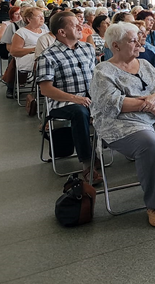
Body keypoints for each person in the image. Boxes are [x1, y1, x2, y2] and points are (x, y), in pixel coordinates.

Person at [90, 22, 155, 227]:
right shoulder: (103, 71)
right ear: (116, 46)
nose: (140, 43)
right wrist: (149, 105)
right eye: (133, 40)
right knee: (151, 145)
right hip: (122, 122)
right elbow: (113, 103)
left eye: (139, 38)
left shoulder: (145, 64)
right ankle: (154, 205)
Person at [36, 12, 100, 182]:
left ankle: (107, 149)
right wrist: (74, 98)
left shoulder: (87, 49)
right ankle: (88, 163)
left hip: (89, 100)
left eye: (80, 23)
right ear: (62, 32)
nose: (81, 27)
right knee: (80, 112)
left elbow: (96, 77)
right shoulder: (48, 56)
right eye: (75, 25)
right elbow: (46, 90)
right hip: (62, 104)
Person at [10, 7, 49, 75]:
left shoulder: (46, 32)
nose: (42, 18)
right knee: (45, 59)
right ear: (29, 19)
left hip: (43, 56)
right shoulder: (21, 32)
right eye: (39, 16)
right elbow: (14, 52)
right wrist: (35, 49)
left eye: (43, 16)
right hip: (26, 58)